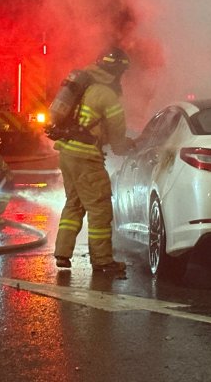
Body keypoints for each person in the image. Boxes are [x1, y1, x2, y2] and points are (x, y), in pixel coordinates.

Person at [53, 47, 135, 273]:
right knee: (100, 208)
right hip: (86, 157)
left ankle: (62, 253)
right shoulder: (107, 95)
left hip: (67, 153)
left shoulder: (84, 85)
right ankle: (102, 261)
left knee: (74, 203)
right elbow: (117, 135)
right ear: (117, 70)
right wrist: (126, 146)